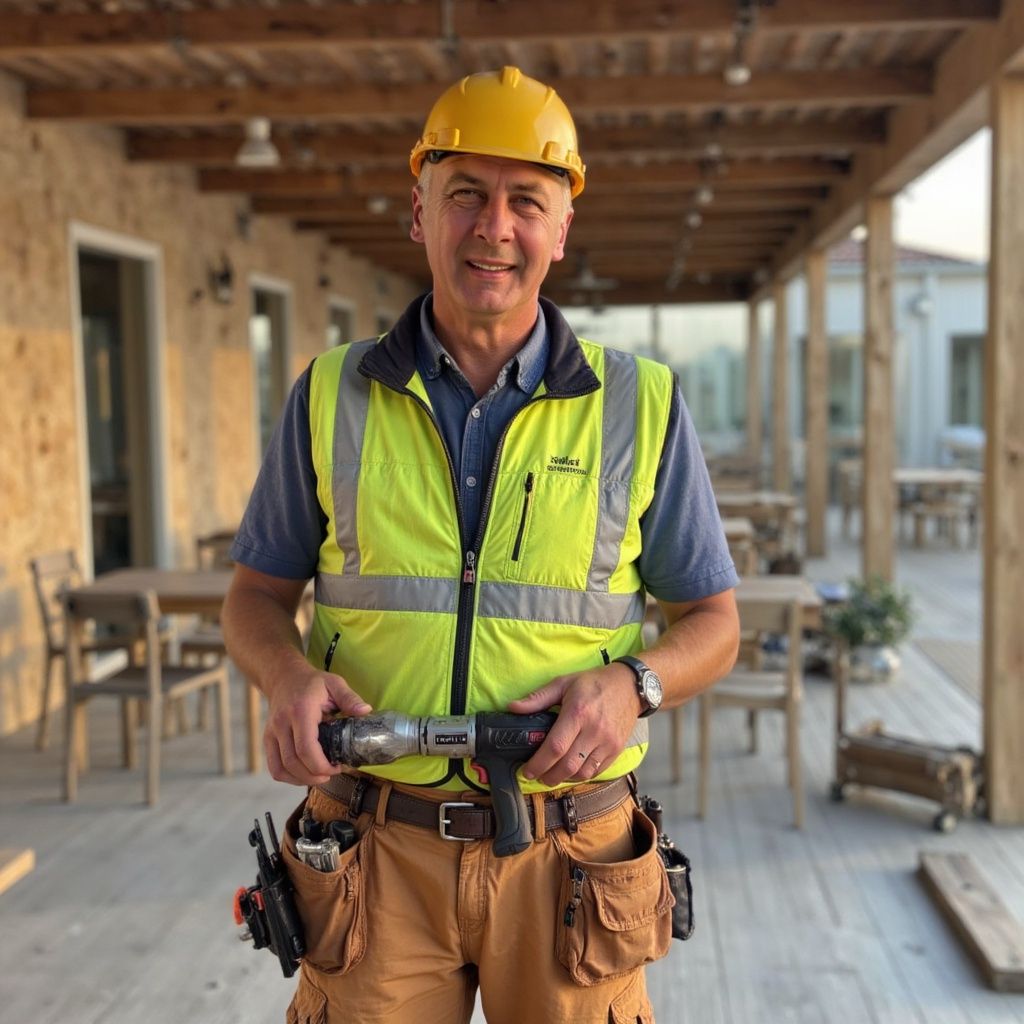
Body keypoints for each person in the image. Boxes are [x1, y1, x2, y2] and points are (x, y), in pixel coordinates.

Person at [222, 65, 740, 1024]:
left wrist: (633, 685)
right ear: (420, 212)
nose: (494, 227)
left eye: (526, 201)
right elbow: (254, 597)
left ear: (561, 228)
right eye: (466, 194)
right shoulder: (331, 393)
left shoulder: (641, 405)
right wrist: (286, 677)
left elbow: (714, 623)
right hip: (372, 847)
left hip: (570, 854)